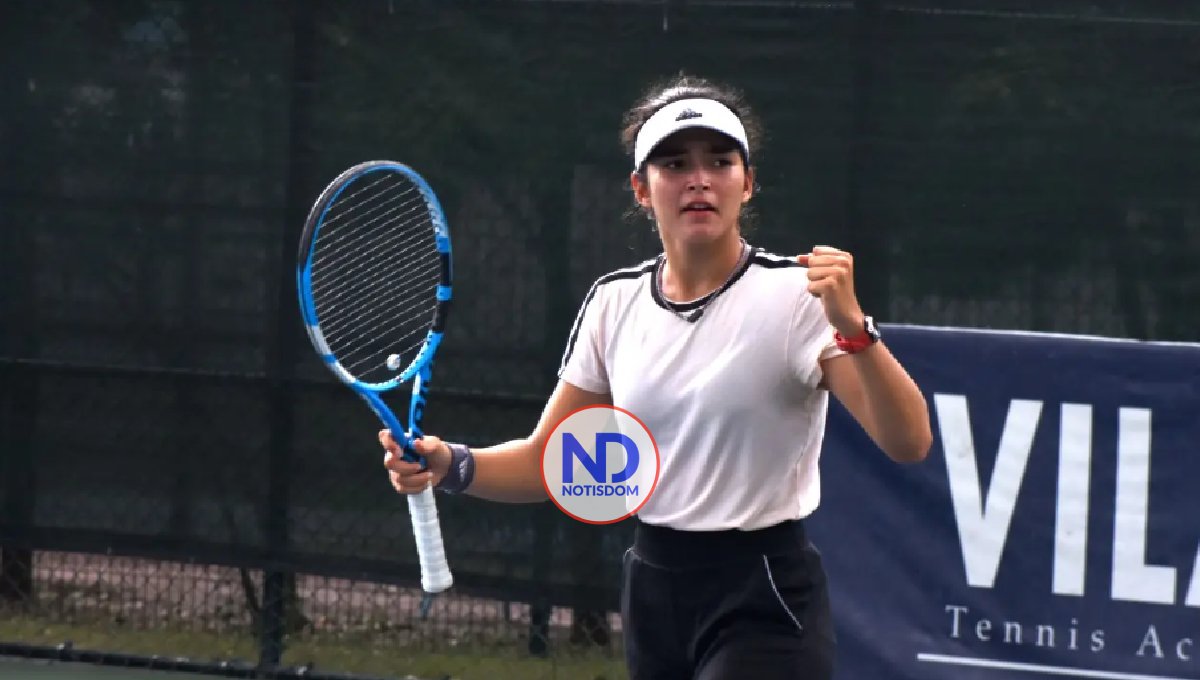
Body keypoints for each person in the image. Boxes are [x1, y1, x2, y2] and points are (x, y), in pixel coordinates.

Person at [381, 72, 932, 680]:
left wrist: (855, 331)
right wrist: (450, 464)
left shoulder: (800, 299)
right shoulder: (614, 304)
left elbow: (909, 442)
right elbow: (551, 462)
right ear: (642, 190)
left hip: (765, 593)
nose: (699, 178)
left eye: (720, 161)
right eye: (674, 164)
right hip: (654, 591)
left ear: (747, 183)